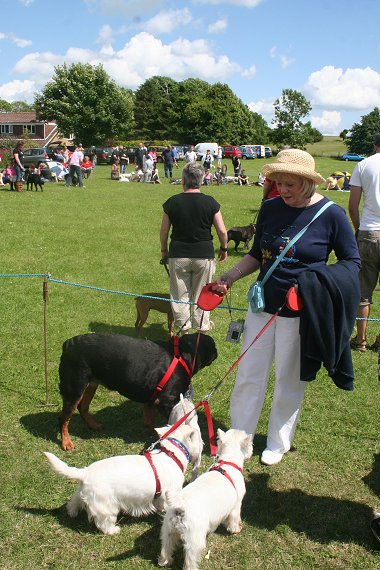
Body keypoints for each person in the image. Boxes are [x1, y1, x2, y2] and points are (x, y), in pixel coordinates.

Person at [214, 148, 360, 466]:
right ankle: (238, 437)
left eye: (290, 184)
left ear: (308, 183)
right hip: (262, 305)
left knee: (289, 378)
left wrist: (314, 284)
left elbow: (352, 262)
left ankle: (279, 442)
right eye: (278, 182)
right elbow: (257, 254)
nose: (282, 189)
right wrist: (231, 275)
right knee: (249, 374)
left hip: (299, 314)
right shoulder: (270, 208)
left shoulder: (332, 214)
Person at [160, 161, 228, 334]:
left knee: (179, 296)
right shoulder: (210, 202)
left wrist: (164, 251)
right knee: (202, 294)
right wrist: (224, 248)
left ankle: (183, 331)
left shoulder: (172, 202)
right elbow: (221, 230)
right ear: (202, 180)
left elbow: (164, 231)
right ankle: (201, 330)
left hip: (178, 255)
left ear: (183, 180)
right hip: (203, 256)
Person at [349, 133, 380, 352]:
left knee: (363, 290)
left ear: (375, 144)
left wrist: (358, 227)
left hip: (369, 231)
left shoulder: (363, 165)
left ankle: (360, 340)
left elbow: (352, 206)